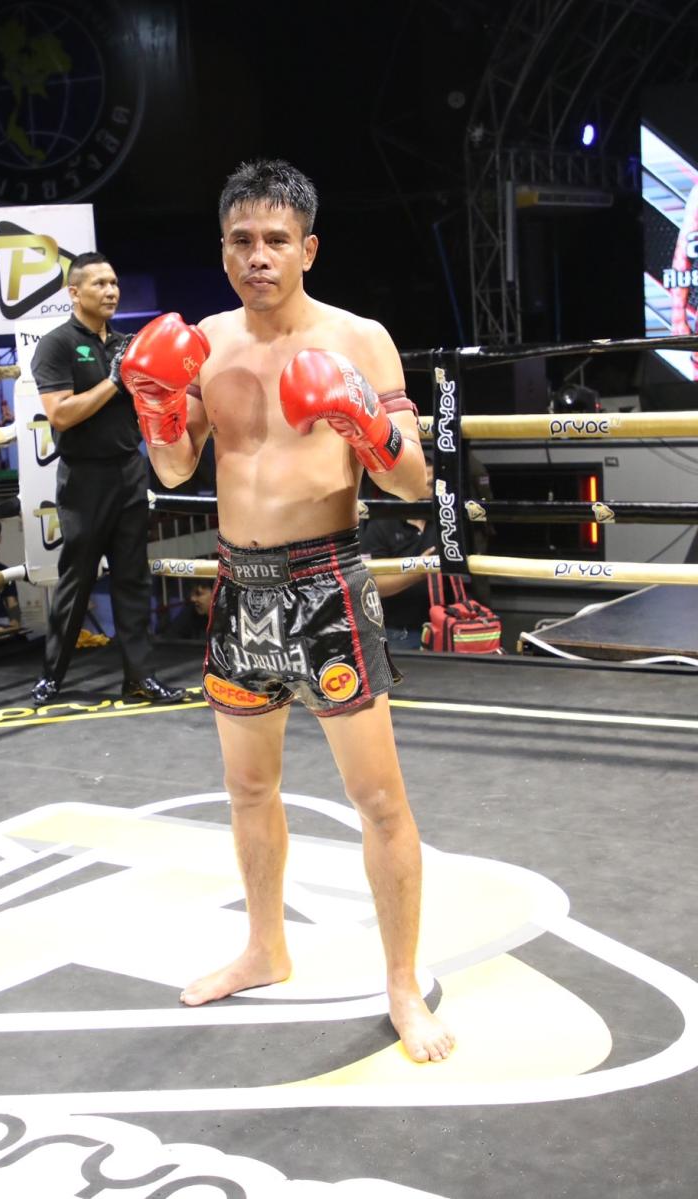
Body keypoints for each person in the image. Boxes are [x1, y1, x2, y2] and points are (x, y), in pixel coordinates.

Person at [117, 159, 454, 1062]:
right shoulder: (205, 343)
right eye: (241, 240)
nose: (257, 256)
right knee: (248, 789)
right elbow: (175, 470)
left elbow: (412, 481)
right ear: (223, 249)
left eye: (276, 240)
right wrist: (157, 405)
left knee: (377, 798)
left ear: (308, 248)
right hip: (240, 590)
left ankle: (400, 984)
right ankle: (265, 947)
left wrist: (361, 418)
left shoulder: (360, 339)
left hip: (327, 586)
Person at [28, 251, 186, 707]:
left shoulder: (126, 345)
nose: (111, 291)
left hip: (129, 470)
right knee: (76, 579)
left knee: (133, 579)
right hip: (85, 479)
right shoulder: (56, 345)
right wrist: (115, 381)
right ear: (75, 292)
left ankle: (140, 677)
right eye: (99, 283)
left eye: (114, 282)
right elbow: (60, 414)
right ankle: (51, 677)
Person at [359, 452, 436, 648]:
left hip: (441, 626)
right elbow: (372, 585)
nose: (433, 491)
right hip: (398, 631)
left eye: (434, 484)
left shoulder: (445, 523)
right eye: (427, 484)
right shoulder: (382, 524)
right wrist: (419, 572)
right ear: (409, 486)